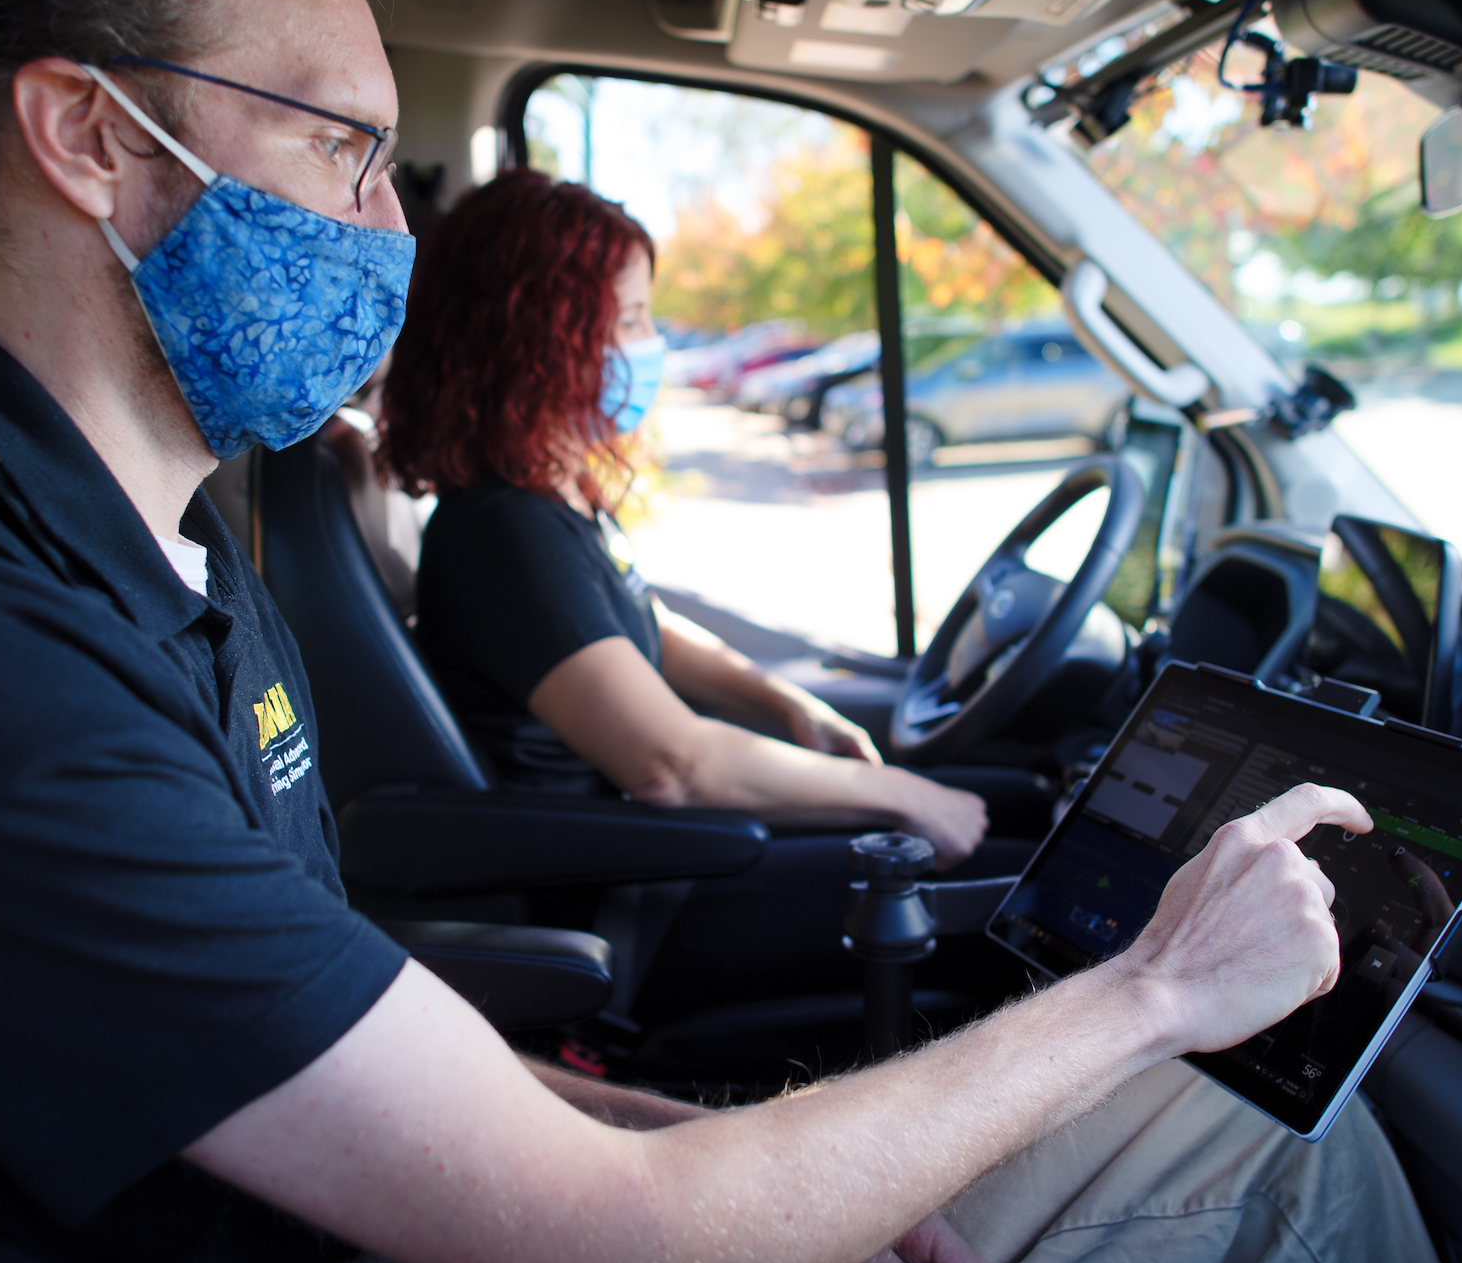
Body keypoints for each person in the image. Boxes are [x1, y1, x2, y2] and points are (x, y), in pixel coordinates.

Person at [0, 0, 1462, 1263]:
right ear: (88, 137)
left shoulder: (161, 567)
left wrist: (651, 1117)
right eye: (347, 148)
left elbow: (292, 1043)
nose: (391, 231)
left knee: (1265, 1154)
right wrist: (1154, 987)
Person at [377, 174, 997, 871]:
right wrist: (904, 796)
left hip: (645, 850)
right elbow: (676, 767)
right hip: (618, 878)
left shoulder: (549, 492)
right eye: (634, 317)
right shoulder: (506, 534)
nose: (652, 344)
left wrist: (779, 700)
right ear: (542, 340)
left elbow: (624, 626)